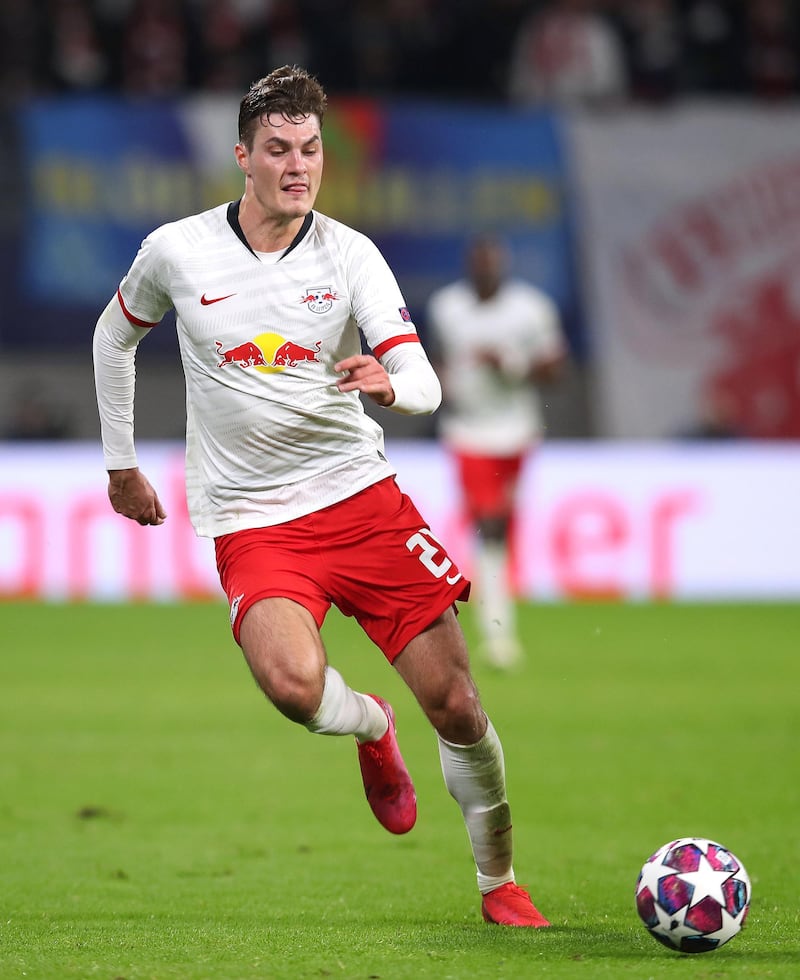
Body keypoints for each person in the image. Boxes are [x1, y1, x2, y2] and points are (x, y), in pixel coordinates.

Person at [92, 65, 550, 928]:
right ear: (243, 156)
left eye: (311, 150)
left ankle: (500, 884)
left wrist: (389, 382)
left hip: (359, 499)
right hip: (253, 520)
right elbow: (113, 337)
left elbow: (423, 382)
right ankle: (372, 726)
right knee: (295, 688)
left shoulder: (350, 256)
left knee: (456, 702)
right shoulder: (178, 251)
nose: (298, 166)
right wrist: (121, 464)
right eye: (279, 150)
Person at [426, 235, 567, 669]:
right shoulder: (446, 307)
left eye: (492, 262)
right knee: (488, 523)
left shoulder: (531, 308)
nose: (486, 270)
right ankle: (498, 630)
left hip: (515, 432)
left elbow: (555, 368)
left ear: (502, 265)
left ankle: (496, 619)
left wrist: (510, 363)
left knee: (500, 527)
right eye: (479, 262)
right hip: (468, 431)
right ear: (470, 266)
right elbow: (436, 358)